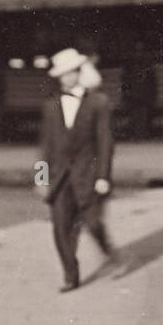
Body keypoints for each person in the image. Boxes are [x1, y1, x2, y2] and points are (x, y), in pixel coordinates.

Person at [36, 47, 117, 292]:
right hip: (60, 177)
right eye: (63, 74)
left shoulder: (98, 103)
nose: (67, 78)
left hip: (88, 174)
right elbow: (45, 145)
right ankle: (71, 276)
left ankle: (105, 245)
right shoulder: (51, 106)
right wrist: (41, 178)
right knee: (61, 228)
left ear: (80, 72)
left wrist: (103, 176)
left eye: (72, 73)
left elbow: (105, 143)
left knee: (92, 223)